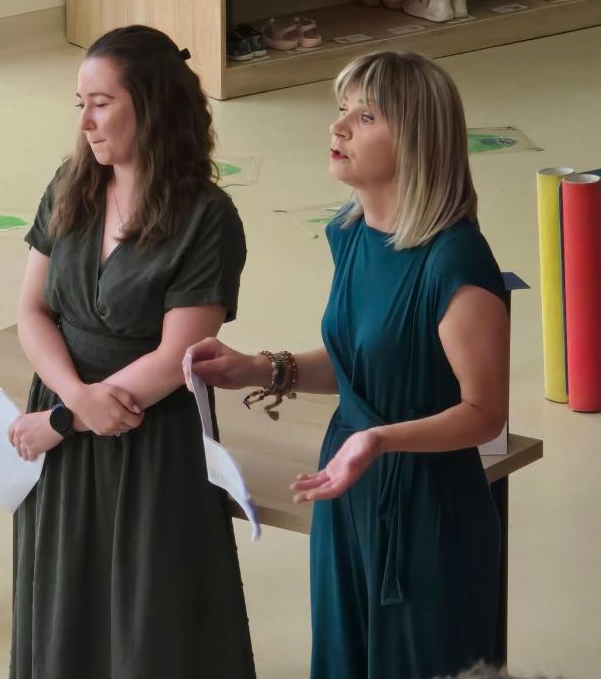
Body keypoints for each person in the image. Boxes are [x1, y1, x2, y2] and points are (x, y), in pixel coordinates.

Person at [187, 51, 510, 679]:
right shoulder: (351, 234)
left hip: (426, 508)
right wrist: (259, 368)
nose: (337, 128)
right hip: (347, 485)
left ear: (415, 140)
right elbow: (361, 367)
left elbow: (483, 413)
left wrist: (379, 440)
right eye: (342, 110)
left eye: (365, 117)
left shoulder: (456, 263)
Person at [6, 24, 256, 679]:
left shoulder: (207, 217)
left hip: (152, 438)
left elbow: (179, 355)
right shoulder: (71, 183)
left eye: (101, 103)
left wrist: (65, 419)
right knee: (64, 609)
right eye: (80, 104)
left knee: (151, 620)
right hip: (66, 420)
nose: (85, 122)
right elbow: (32, 312)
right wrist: (72, 401)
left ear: (151, 106)